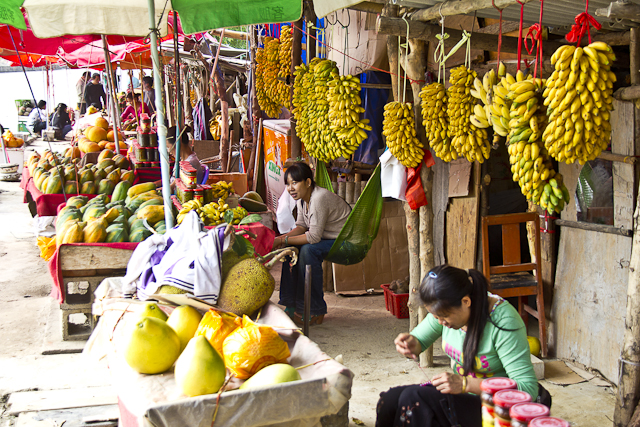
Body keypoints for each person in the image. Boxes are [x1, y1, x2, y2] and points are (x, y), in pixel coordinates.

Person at [376, 265, 549, 427]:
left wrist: (466, 384)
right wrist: (410, 344)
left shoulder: (504, 321)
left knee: (413, 400)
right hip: (464, 396)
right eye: (435, 317)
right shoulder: (445, 309)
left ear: (466, 301)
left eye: (443, 317)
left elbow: (527, 390)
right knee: (389, 401)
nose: (440, 322)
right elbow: (418, 341)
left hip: (495, 406)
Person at [274, 162, 351, 326]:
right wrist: (283, 240)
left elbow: (314, 237)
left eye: (295, 183)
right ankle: (291, 303)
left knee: (308, 251)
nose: (290, 188)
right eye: (287, 184)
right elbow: (301, 227)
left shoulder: (318, 198)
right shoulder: (303, 200)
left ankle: (315, 309)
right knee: (290, 249)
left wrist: (281, 239)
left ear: (308, 182)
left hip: (345, 242)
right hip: (327, 238)